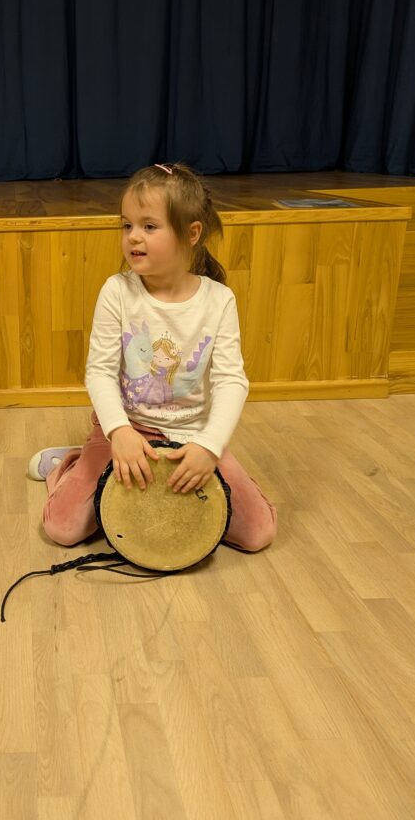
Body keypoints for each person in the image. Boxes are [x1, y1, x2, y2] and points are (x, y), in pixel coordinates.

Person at [28, 163, 276, 552]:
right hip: (128, 430)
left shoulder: (219, 300)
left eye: (149, 226)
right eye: (127, 225)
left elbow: (232, 381)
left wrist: (210, 446)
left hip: (192, 434)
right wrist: (119, 432)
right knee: (64, 528)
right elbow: (99, 372)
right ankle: (70, 464)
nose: (133, 237)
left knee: (258, 534)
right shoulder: (117, 291)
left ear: (191, 233)